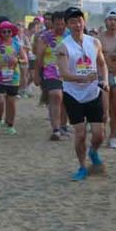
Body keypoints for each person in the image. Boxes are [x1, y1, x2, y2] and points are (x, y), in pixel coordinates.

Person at [56, 7, 109, 180]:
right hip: (73, 95)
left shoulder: (94, 42)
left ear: (84, 22)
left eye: (79, 20)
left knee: (99, 134)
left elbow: (102, 63)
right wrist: (83, 77)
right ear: (67, 25)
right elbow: (63, 74)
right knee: (80, 134)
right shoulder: (64, 47)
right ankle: (81, 167)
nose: (77, 24)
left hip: (93, 93)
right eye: (72, 21)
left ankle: (93, 152)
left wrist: (105, 80)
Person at [33, 11, 70, 140]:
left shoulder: (71, 36)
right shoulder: (44, 37)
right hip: (50, 70)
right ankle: (56, 129)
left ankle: (63, 125)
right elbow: (39, 57)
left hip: (68, 71)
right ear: (52, 23)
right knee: (56, 95)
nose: (60, 27)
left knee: (65, 99)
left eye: (62, 24)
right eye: (57, 24)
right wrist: (36, 74)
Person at [0, 21, 27, 135]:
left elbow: (25, 59)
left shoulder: (17, 44)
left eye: (9, 31)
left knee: (11, 102)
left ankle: (10, 124)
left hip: (13, 76)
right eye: (3, 31)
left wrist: (18, 60)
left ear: (12, 32)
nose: (6, 33)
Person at [98, 10, 116, 148]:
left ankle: (113, 135)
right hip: (104, 75)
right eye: (110, 19)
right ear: (105, 21)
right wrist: (109, 65)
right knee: (104, 107)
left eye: (115, 19)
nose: (112, 22)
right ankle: (102, 131)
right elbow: (99, 57)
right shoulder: (99, 38)